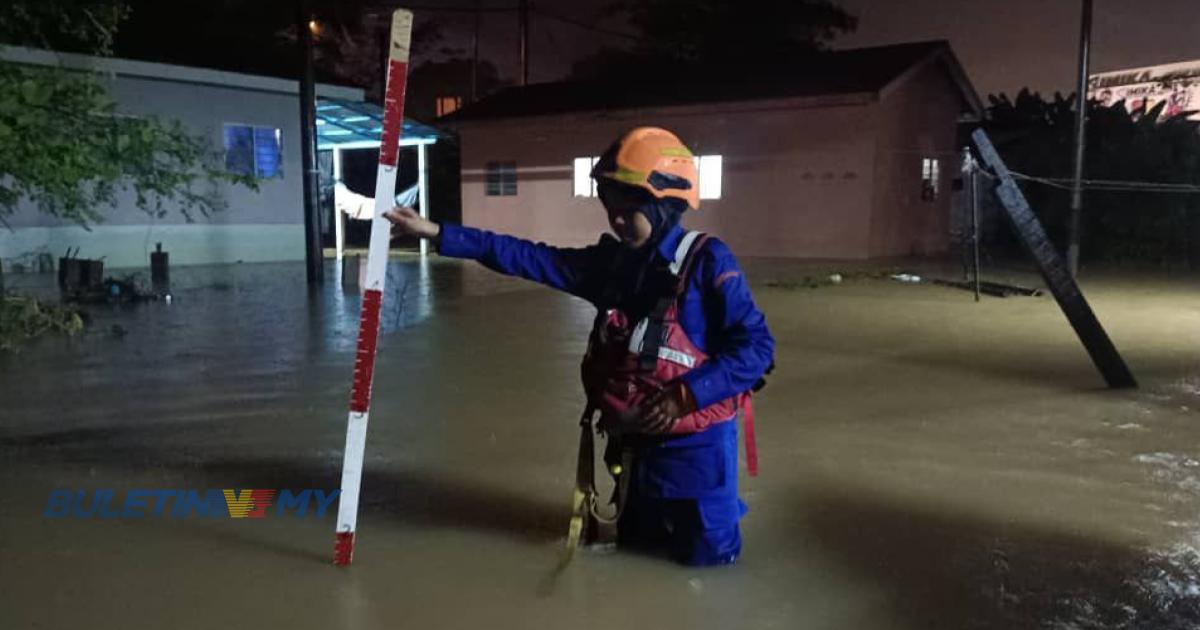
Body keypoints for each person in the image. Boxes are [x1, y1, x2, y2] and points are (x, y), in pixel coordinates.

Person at [385, 127, 775, 566]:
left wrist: (685, 396)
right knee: (635, 559)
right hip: (634, 451)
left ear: (665, 205)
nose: (617, 222)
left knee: (710, 564)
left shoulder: (709, 261)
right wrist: (436, 232)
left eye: (629, 211)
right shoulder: (611, 266)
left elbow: (758, 348)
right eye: (611, 210)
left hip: (698, 457)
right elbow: (525, 256)